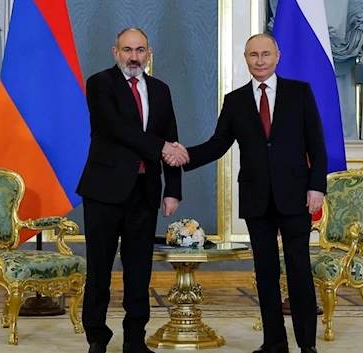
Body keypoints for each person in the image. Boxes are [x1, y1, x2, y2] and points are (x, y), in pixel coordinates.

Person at [165, 33, 325, 353]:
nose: (260, 60)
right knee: (265, 275)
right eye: (253, 55)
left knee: (299, 273)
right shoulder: (235, 100)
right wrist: (183, 155)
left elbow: (317, 147)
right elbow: (218, 144)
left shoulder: (300, 93)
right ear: (246, 58)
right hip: (256, 199)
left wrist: (316, 187)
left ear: (277, 56)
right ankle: (274, 343)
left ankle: (307, 345)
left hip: (295, 197)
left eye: (266, 54)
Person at [76, 28, 189, 353]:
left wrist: (173, 190)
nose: (134, 57)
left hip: (145, 192)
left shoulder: (161, 90)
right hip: (103, 192)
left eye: (140, 50)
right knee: (99, 268)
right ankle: (97, 338)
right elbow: (116, 129)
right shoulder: (100, 84)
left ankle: (135, 340)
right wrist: (163, 146)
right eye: (127, 50)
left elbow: (172, 135)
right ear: (115, 52)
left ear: (149, 53)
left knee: (139, 272)